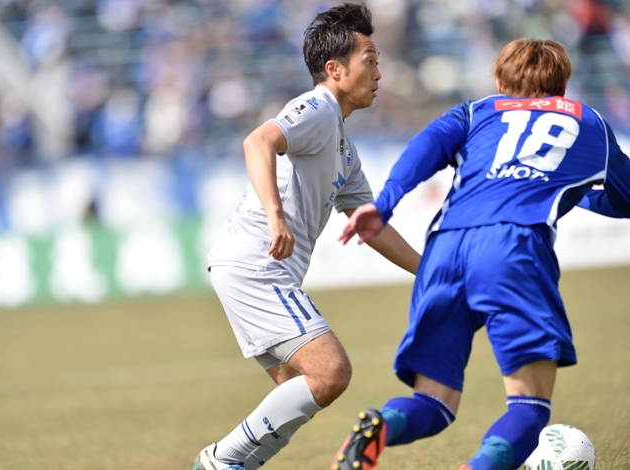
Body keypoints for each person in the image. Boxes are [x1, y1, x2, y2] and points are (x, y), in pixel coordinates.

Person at [331, 38, 630, 470]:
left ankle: (380, 425)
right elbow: (625, 198)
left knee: (433, 403)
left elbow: (426, 145)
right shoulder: (590, 123)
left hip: (445, 247)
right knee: (529, 407)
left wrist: (384, 204)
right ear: (563, 84)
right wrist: (573, 191)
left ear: (500, 82)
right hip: (513, 247)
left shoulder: (476, 111)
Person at [192, 3, 421, 470]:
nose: (378, 73)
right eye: (369, 61)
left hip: (250, 267)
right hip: (258, 264)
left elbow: (370, 224)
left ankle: (232, 465)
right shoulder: (317, 107)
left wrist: (431, 270)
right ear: (334, 69)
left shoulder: (343, 148)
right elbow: (257, 141)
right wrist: (275, 217)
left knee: (296, 391)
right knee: (330, 371)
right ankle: (220, 460)